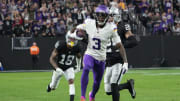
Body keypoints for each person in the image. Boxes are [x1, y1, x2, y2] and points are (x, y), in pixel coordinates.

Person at [75, 5, 128, 101]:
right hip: (90, 54)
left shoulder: (111, 28)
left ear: (107, 16)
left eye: (103, 15)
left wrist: (125, 62)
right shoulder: (89, 22)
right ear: (95, 15)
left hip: (102, 58)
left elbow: (120, 45)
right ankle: (82, 96)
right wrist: (78, 33)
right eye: (98, 15)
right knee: (86, 68)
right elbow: (77, 30)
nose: (100, 17)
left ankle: (92, 95)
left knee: (97, 82)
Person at [104, 7, 138, 101]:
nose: (108, 18)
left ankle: (128, 86)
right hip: (109, 60)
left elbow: (133, 41)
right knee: (108, 91)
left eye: (111, 15)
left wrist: (120, 45)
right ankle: (128, 85)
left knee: (114, 85)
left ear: (116, 16)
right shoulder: (106, 26)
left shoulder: (123, 26)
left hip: (119, 59)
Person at [46, 31, 82, 101]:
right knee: (54, 86)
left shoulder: (77, 47)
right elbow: (51, 58)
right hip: (59, 67)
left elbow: (79, 57)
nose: (72, 40)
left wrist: (78, 66)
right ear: (67, 38)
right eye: (71, 38)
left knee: (71, 81)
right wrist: (57, 68)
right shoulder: (61, 44)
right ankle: (50, 86)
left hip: (69, 67)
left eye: (74, 39)